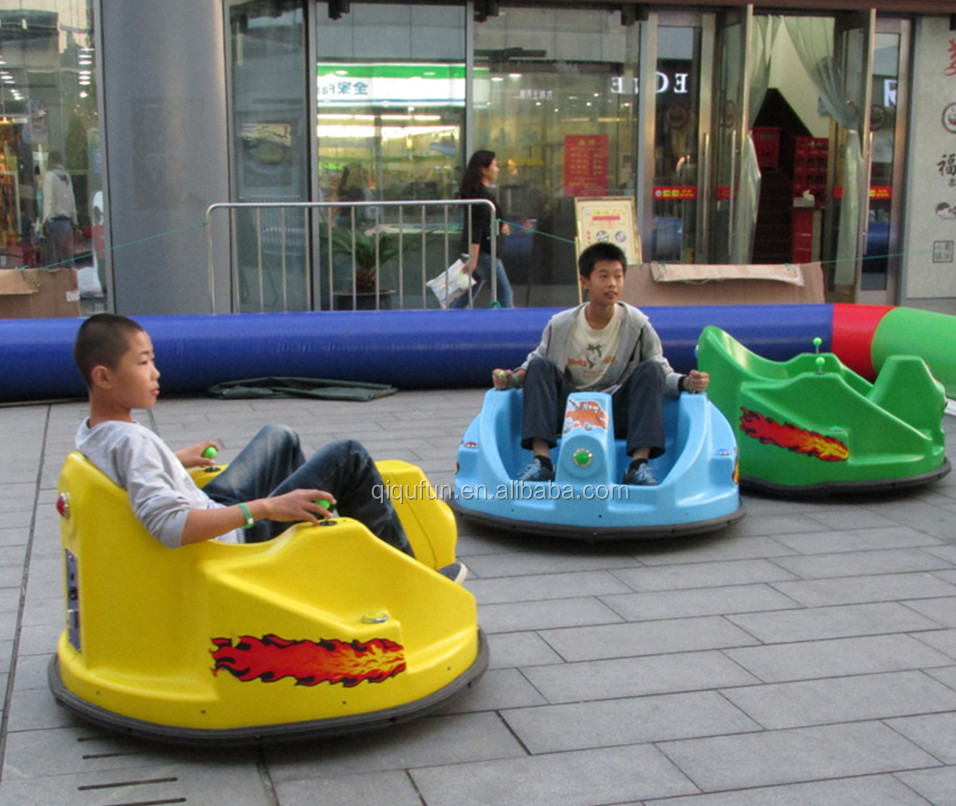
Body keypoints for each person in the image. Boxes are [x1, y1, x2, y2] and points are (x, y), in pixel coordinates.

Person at [71, 313, 466, 581]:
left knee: (279, 435)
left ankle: (308, 555)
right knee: (349, 456)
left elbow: (135, 479)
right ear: (104, 376)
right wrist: (267, 508)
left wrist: (174, 461)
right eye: (143, 363)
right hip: (232, 537)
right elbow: (170, 527)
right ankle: (407, 578)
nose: (156, 372)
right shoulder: (132, 441)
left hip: (207, 505)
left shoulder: (95, 432)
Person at [490, 242, 710, 486]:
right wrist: (512, 379)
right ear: (585, 281)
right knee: (541, 365)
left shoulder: (637, 324)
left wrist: (687, 382)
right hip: (570, 410)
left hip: (615, 410)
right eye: (603, 276)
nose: (612, 284)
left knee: (651, 370)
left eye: (618, 276)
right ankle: (541, 462)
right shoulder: (560, 324)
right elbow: (533, 364)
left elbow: (662, 370)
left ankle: (638, 465)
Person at [450, 149, 514, 309]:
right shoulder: (482, 195)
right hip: (485, 253)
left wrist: (501, 224)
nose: (498, 169)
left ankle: (448, 320)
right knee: (504, 293)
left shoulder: (479, 193)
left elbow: (483, 222)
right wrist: (474, 257)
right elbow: (477, 228)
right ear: (484, 170)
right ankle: (511, 326)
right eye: (495, 165)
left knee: (466, 293)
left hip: (482, 253)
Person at [42, 151, 77, 268]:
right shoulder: (67, 176)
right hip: (67, 223)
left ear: (50, 161)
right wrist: (74, 221)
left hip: (55, 223)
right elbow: (72, 199)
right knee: (69, 261)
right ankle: (73, 284)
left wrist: (45, 220)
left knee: (53, 263)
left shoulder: (49, 176)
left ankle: (57, 286)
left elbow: (49, 200)